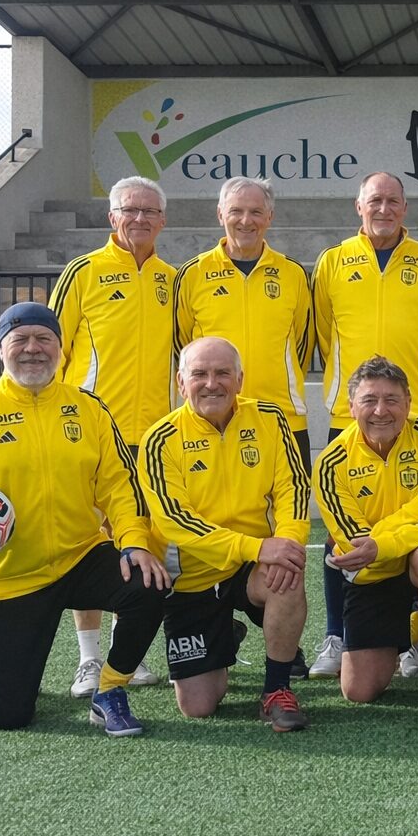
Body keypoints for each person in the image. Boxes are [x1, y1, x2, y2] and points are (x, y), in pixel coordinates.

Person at [0, 302, 168, 735]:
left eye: (44, 339)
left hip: (80, 556)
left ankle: (110, 690)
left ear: (60, 348)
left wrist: (134, 540)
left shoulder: (89, 408)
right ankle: (7, 677)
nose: (32, 349)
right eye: (19, 339)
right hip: (10, 576)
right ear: (0, 349)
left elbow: (120, 485)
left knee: (148, 584)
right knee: (9, 717)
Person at [308, 171, 418, 680]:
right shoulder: (333, 261)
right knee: (340, 531)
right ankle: (337, 633)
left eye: (393, 200)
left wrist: (413, 393)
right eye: (375, 200)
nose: (384, 209)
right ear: (359, 206)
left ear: (405, 208)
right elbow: (321, 333)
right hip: (351, 415)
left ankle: (417, 634)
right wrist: (357, 395)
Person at [173, 176, 313, 677]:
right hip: (213, 422)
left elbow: (303, 341)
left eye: (256, 211)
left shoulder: (293, 275)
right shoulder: (192, 275)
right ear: (221, 215)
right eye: (236, 211)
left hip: (281, 420)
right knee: (212, 525)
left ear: (269, 217)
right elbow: (185, 348)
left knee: (282, 537)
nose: (246, 220)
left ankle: (283, 645)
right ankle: (216, 619)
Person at [140, 337, 313, 732]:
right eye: (199, 374)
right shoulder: (160, 438)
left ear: (240, 380)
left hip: (251, 567)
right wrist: (257, 547)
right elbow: (175, 521)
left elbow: (293, 490)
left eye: (222, 373)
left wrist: (286, 542)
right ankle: (224, 634)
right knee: (198, 706)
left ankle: (276, 690)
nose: (211, 383)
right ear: (181, 383)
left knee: (289, 570)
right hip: (193, 578)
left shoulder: (269, 419)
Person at [50, 175, 173, 696]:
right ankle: (88, 659)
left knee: (142, 540)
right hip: (94, 435)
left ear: (162, 220)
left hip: (153, 438)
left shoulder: (171, 279)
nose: (140, 219)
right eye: (130, 210)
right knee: (94, 544)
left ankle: (128, 655)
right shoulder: (84, 271)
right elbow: (51, 349)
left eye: (149, 211)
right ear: (112, 217)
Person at [314, 357, 418, 725]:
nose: (381, 411)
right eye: (369, 400)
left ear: (408, 403)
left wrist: (381, 542)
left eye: (392, 400)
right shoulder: (331, 463)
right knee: (359, 690)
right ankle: (416, 631)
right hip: (373, 575)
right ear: (351, 407)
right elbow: (358, 548)